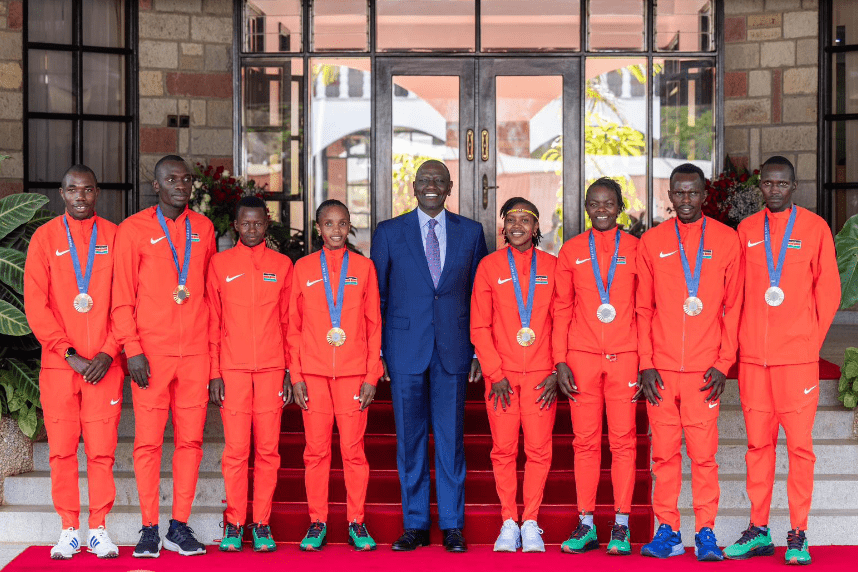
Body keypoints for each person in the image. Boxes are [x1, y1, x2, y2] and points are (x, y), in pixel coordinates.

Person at [724, 156, 840, 565]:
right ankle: (758, 529)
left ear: (793, 186)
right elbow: (734, 294)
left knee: (800, 448)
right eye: (768, 184)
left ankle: (798, 533)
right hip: (755, 361)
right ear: (761, 187)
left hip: (797, 362)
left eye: (782, 184)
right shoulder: (746, 230)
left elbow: (828, 292)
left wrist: (810, 343)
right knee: (758, 446)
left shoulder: (814, 228)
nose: (774, 190)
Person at [371, 160, 488, 553]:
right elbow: (378, 297)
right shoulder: (388, 232)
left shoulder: (471, 232)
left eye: (439, 180)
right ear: (414, 187)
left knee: (452, 441)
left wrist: (477, 349)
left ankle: (453, 524)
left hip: (454, 349)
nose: (432, 186)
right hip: (404, 350)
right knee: (411, 439)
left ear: (450, 186)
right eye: (425, 180)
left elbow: (479, 297)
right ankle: (416, 523)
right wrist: (380, 352)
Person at [635, 163, 743, 561]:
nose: (685, 200)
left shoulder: (727, 240)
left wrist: (723, 362)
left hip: (703, 371)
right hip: (661, 372)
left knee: (703, 455)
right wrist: (646, 363)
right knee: (663, 455)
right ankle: (667, 530)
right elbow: (642, 308)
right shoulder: (652, 241)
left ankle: (706, 532)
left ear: (704, 194)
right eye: (678, 193)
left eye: (692, 193)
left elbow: (734, 308)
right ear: (669, 196)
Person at [112, 154, 216, 557]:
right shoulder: (133, 229)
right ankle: (150, 527)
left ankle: (179, 525)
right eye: (171, 179)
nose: (180, 184)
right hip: (150, 356)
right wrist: (132, 349)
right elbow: (121, 299)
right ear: (155, 186)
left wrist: (212, 357)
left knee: (190, 441)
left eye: (186, 179)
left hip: (194, 354)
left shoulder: (204, 228)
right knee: (148, 442)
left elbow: (208, 295)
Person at [24, 165, 122, 559]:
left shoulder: (116, 237)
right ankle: (68, 529)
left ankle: (98, 529)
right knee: (62, 451)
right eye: (72, 190)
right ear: (61, 194)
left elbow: (125, 302)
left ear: (97, 193)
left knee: (102, 451)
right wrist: (70, 355)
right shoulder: (45, 238)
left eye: (87, 189)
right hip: (60, 367)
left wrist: (108, 351)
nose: (80, 196)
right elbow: (36, 305)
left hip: (104, 367)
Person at [289, 199, 383, 552]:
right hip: (312, 374)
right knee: (315, 452)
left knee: (353, 450)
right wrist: (295, 375)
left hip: (353, 374)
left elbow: (375, 325)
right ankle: (318, 521)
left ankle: (356, 521)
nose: (336, 230)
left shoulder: (364, 268)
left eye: (342, 223)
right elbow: (293, 327)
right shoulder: (303, 267)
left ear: (349, 227)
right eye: (328, 224)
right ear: (318, 228)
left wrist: (372, 374)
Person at [553, 178, 639, 556]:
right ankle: (586, 522)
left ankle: (621, 523)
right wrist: (559, 360)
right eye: (594, 203)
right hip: (582, 358)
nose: (601, 209)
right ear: (586, 207)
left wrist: (647, 360)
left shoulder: (638, 249)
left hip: (625, 357)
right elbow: (560, 309)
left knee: (623, 442)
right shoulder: (571, 250)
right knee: (585, 443)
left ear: (620, 207)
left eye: (608, 203)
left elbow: (647, 308)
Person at [470, 198, 558, 553]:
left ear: (537, 227)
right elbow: (480, 324)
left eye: (526, 219)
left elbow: (562, 320)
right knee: (503, 450)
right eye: (512, 219)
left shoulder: (553, 266)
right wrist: (494, 372)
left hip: (540, 375)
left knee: (538, 450)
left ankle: (531, 521)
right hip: (501, 377)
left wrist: (555, 368)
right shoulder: (489, 267)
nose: (518, 225)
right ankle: (509, 521)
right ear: (503, 227)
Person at [206, 196, 293, 552]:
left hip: (273, 369)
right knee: (237, 450)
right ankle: (234, 522)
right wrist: (214, 372)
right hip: (233, 369)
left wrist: (291, 371)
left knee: (269, 450)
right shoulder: (219, 263)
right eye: (246, 223)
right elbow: (213, 321)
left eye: (258, 223)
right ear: (235, 227)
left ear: (266, 224)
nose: (252, 229)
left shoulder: (283, 265)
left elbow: (290, 323)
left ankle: (262, 523)